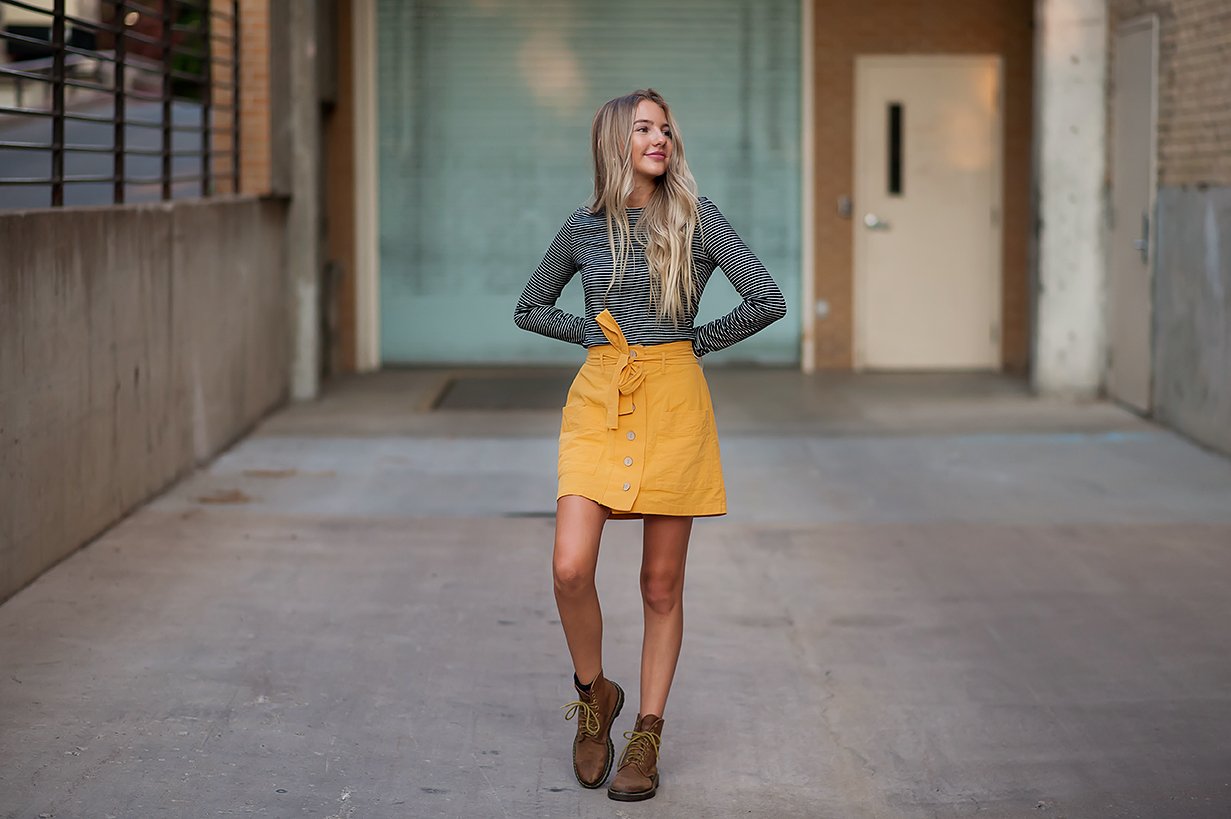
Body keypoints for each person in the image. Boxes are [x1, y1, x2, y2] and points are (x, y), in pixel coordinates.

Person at [513, 88, 786, 802]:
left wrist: (695, 341)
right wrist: (589, 334)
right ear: (613, 141)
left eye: (665, 127)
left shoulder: (697, 218)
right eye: (643, 128)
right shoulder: (581, 227)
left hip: (673, 399)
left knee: (659, 585)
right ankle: (593, 694)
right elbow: (529, 306)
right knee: (570, 566)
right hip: (601, 396)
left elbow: (766, 297)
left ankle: (648, 732)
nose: (659, 138)